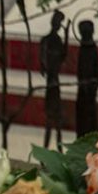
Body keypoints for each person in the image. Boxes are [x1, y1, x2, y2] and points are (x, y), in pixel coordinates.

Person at [39, 10, 67, 150]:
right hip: (52, 84)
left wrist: (67, 36)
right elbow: (44, 62)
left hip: (54, 83)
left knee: (56, 123)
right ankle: (47, 150)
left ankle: (58, 150)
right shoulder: (47, 41)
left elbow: (62, 57)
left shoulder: (56, 40)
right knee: (51, 122)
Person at [75, 20, 98, 136]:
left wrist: (93, 83)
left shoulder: (91, 49)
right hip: (83, 89)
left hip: (90, 89)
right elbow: (80, 70)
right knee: (82, 115)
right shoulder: (83, 48)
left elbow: (97, 70)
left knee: (89, 115)